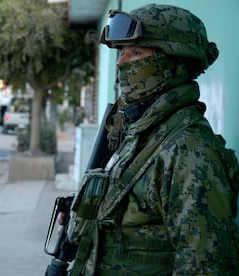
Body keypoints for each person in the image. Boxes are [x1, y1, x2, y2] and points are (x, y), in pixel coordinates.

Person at [64, 4, 239, 275]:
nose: (121, 63)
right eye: (121, 52)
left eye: (135, 53)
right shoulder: (139, 132)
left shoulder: (189, 150)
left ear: (171, 62)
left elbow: (204, 267)